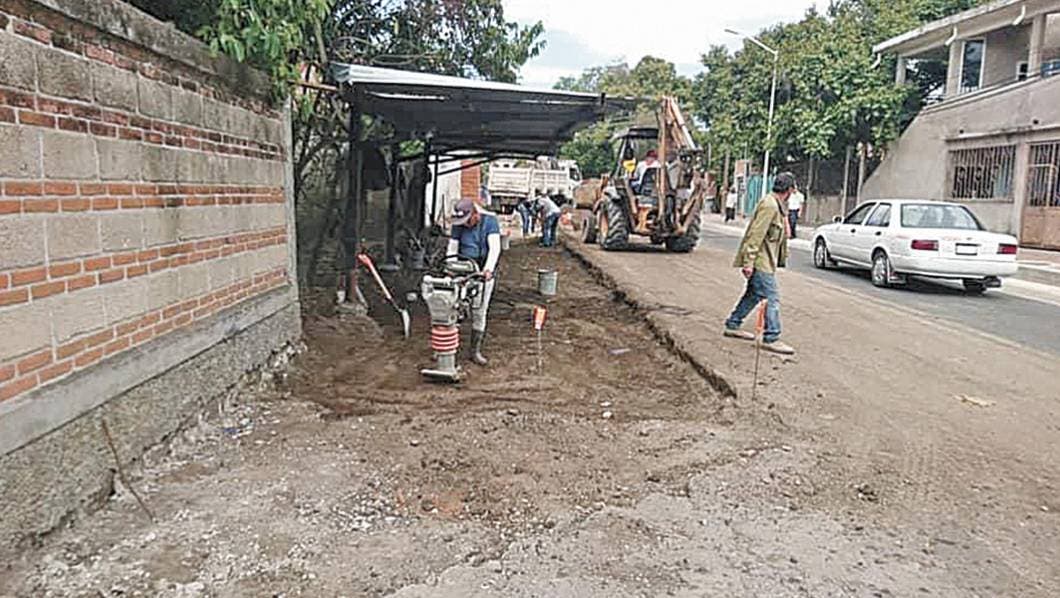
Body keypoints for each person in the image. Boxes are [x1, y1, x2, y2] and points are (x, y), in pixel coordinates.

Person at [722, 172, 796, 355]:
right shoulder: (770, 206)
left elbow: (786, 234)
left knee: (753, 294)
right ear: (789, 190)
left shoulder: (777, 206)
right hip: (760, 262)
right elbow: (755, 234)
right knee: (772, 297)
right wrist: (748, 262)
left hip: (766, 261)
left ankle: (733, 324)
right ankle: (771, 337)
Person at [448, 198, 502, 365]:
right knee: (452, 307)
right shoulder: (458, 224)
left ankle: (475, 351)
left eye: (467, 221)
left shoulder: (490, 221)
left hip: (482, 269)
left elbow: (495, 248)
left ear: (475, 214)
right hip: (462, 267)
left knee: (479, 310)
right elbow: (452, 247)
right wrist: (450, 267)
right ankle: (446, 348)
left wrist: (488, 269)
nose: (465, 225)